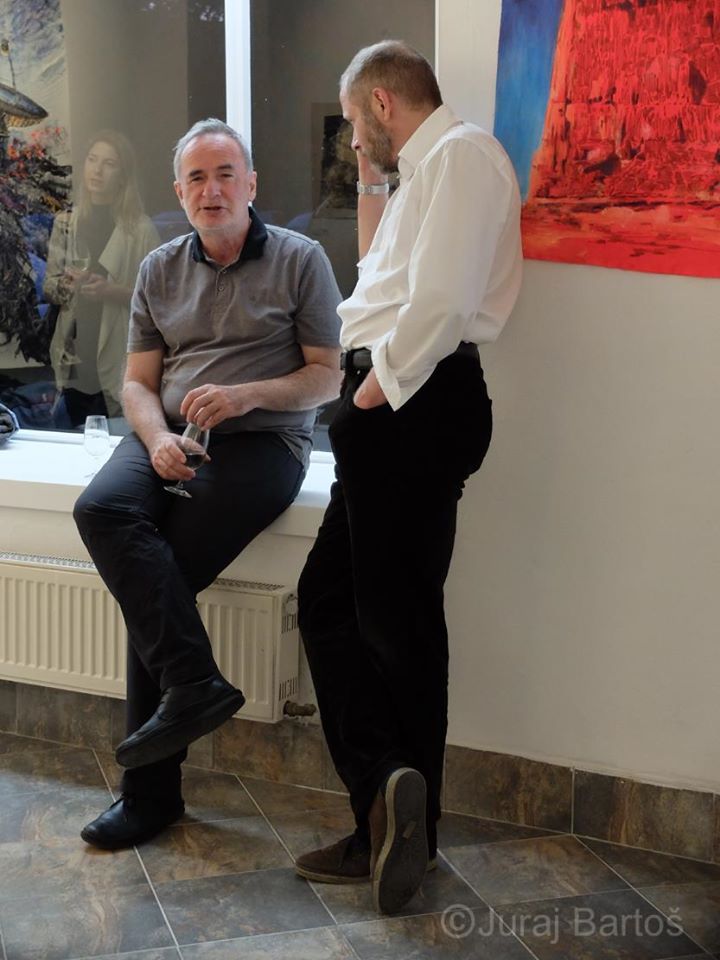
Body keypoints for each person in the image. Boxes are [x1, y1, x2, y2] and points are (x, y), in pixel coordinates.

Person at [294, 41, 522, 915]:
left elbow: (440, 304)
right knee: (332, 604)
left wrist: (370, 396)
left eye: (357, 125)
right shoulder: (425, 173)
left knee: (399, 628)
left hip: (411, 405)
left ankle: (396, 827)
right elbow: (382, 287)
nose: (356, 143)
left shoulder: (462, 156)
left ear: (384, 105)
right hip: (394, 405)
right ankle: (388, 799)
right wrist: (363, 396)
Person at [74, 118, 342, 849]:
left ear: (251, 184)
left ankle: (148, 796)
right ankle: (195, 683)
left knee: (159, 577)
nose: (212, 189)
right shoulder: (159, 268)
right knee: (101, 509)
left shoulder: (301, 259)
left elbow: (326, 376)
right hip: (170, 434)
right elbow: (137, 384)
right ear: (179, 192)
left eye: (225, 174)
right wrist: (158, 438)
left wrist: (245, 396)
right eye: (197, 177)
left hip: (263, 443)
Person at [44, 130, 160, 426]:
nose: (97, 170)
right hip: (75, 350)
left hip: (118, 350)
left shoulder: (141, 229)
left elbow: (160, 301)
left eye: (109, 163)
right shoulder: (66, 222)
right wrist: (67, 285)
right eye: (92, 160)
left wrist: (112, 292)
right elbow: (50, 288)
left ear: (123, 175)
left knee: (117, 436)